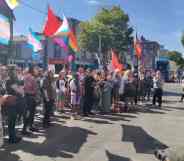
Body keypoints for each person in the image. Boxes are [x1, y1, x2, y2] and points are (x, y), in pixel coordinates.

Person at [23, 66, 38, 135]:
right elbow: (35, 90)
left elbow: (24, 88)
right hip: (31, 98)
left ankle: (28, 127)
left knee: (28, 113)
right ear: (32, 71)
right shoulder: (32, 78)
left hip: (26, 97)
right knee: (30, 113)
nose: (36, 71)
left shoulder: (25, 77)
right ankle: (26, 128)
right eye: (35, 70)